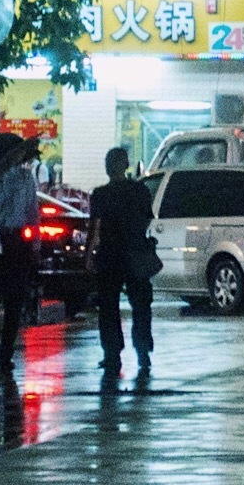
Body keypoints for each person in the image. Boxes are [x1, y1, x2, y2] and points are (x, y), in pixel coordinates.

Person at [89, 148, 157, 377]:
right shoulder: (140, 190)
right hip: (136, 252)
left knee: (108, 307)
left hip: (110, 254)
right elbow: (148, 218)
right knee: (141, 305)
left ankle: (112, 355)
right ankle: (143, 350)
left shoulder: (100, 194)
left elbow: (94, 228)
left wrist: (88, 255)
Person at [0, 146, 45, 374]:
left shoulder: (25, 177)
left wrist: (35, 243)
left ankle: (6, 352)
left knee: (14, 301)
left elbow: (32, 211)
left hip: (17, 241)